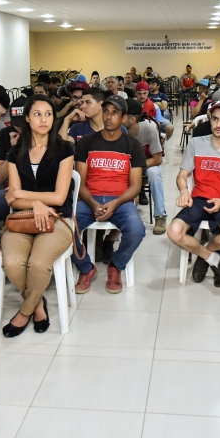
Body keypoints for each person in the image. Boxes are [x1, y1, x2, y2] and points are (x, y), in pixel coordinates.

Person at [0, 95, 75, 337]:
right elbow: (13, 200)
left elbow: (60, 197)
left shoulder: (64, 149)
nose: (43, 119)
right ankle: (37, 302)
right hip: (22, 217)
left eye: (48, 114)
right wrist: (36, 203)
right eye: (37, 114)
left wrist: (24, 194)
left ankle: (25, 311)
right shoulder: (15, 154)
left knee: (39, 264)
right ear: (27, 119)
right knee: (12, 262)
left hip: (58, 217)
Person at [167, 101, 220, 288]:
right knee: (173, 231)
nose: (218, 124)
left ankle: (207, 249)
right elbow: (182, 175)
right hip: (199, 199)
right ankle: (211, 258)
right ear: (210, 120)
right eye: (215, 119)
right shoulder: (196, 143)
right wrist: (184, 191)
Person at [72, 95, 146, 294]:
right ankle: (86, 268)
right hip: (90, 199)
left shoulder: (133, 145)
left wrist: (116, 203)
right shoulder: (86, 143)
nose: (109, 117)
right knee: (66, 228)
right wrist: (93, 203)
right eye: (106, 111)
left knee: (137, 231)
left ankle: (116, 265)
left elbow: (135, 187)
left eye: (115, 113)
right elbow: (80, 183)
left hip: (120, 201)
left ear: (123, 118)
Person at [123, 99, 167, 234]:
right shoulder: (118, 130)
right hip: (125, 166)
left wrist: (136, 166)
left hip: (146, 163)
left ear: (132, 119)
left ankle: (160, 216)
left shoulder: (149, 129)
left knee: (154, 173)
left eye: (121, 115)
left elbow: (157, 159)